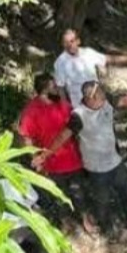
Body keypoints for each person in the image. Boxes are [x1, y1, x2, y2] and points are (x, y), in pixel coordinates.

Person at [33, 81, 127, 237]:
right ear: (90, 99)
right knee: (102, 200)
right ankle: (109, 230)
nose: (103, 98)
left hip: (115, 161)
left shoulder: (107, 102)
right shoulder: (79, 116)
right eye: (100, 96)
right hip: (97, 169)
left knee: (124, 192)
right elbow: (63, 137)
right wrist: (45, 155)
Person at [17, 72, 95, 234]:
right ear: (45, 90)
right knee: (59, 196)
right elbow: (25, 138)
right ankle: (65, 222)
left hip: (73, 159)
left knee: (79, 192)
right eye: (54, 87)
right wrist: (35, 159)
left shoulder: (62, 103)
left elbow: (73, 126)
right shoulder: (31, 111)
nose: (58, 89)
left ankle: (86, 219)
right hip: (51, 164)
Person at [53, 28, 127, 109]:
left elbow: (111, 59)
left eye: (72, 41)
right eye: (66, 42)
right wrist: (65, 108)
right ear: (63, 44)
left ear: (78, 41)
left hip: (99, 93)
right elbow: (60, 88)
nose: (70, 45)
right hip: (83, 103)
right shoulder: (61, 62)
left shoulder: (88, 53)